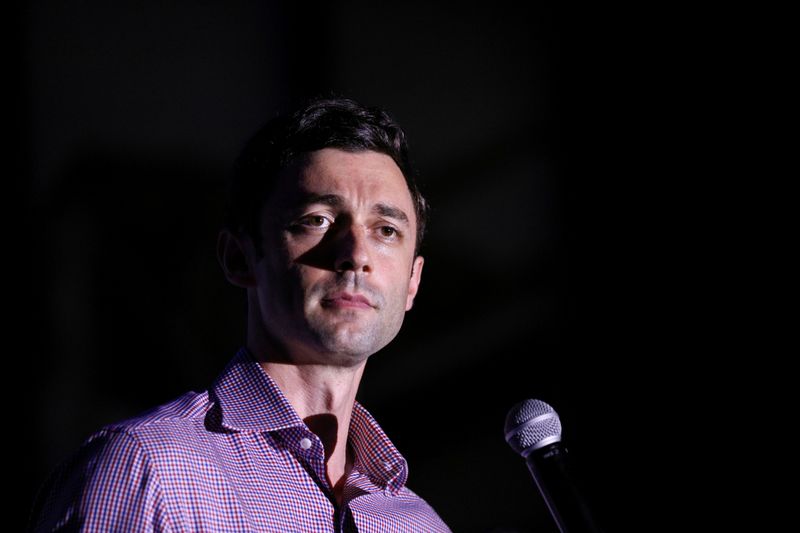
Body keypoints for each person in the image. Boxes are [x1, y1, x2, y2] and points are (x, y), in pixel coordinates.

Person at [28, 97, 451, 532]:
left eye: (386, 231)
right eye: (318, 220)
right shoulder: (148, 471)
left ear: (412, 283)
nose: (356, 254)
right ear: (239, 258)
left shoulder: (422, 525)